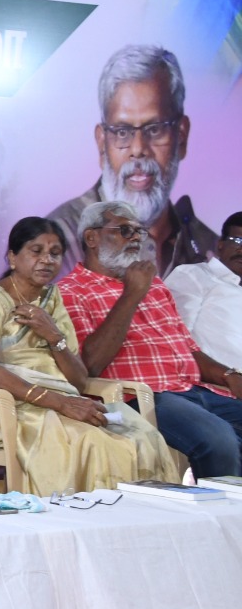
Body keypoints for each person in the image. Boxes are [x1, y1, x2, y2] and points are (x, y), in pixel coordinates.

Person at [0, 216, 181, 495]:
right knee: (93, 442)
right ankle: (85, 516)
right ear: (12, 257)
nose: (46, 260)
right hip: (0, 406)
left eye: (55, 253)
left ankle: (140, 516)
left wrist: (53, 335)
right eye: (36, 251)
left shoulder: (52, 298)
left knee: (143, 437)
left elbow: (79, 380)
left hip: (55, 400)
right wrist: (60, 403)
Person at [57, 200, 242, 478]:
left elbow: (189, 349)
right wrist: (132, 294)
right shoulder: (70, 291)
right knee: (219, 439)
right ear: (91, 238)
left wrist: (228, 375)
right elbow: (90, 364)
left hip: (191, 389)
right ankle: (216, 508)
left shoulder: (154, 285)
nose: (135, 238)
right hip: (141, 397)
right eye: (124, 230)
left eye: (138, 231)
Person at [46, 45, 214, 277]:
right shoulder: (56, 242)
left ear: (181, 137)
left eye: (154, 129)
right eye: (122, 132)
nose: (138, 149)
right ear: (102, 144)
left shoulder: (212, 253)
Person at [167, 211, 242, 376]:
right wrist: (227, 376)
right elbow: (175, 339)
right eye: (238, 240)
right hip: (211, 383)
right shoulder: (194, 275)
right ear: (220, 244)